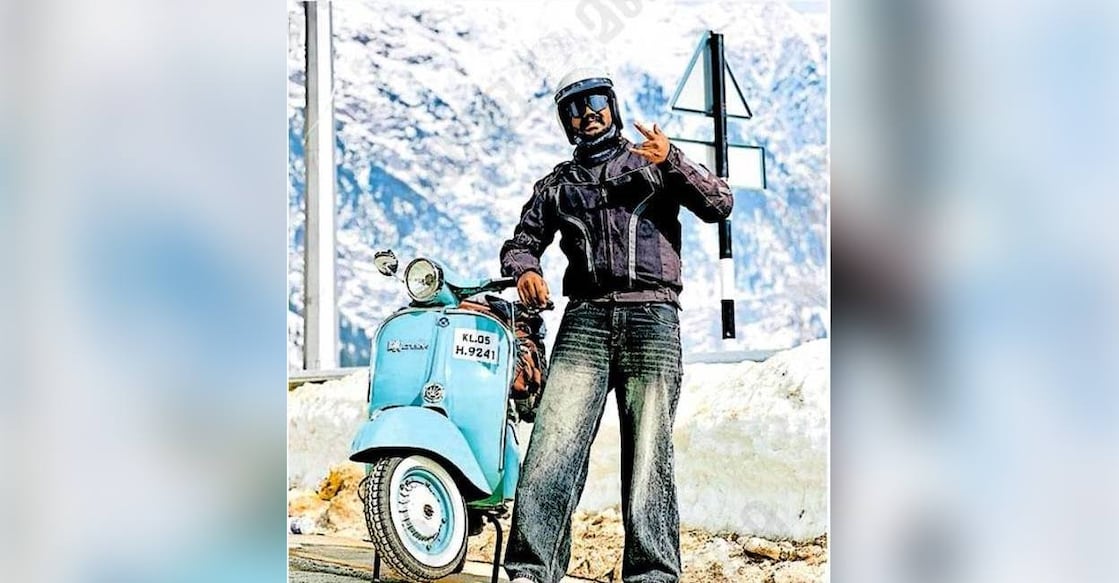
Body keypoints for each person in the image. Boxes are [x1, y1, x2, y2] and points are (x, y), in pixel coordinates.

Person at [499, 67, 733, 583]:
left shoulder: (654, 162)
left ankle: (652, 575)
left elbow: (720, 203)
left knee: (650, 448)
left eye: (595, 104)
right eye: (574, 111)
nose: (587, 116)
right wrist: (527, 269)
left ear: (613, 106)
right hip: (584, 318)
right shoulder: (557, 185)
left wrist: (672, 159)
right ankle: (531, 571)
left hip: (653, 317)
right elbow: (520, 242)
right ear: (566, 123)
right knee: (553, 445)